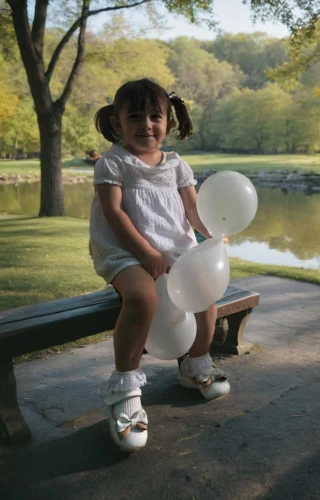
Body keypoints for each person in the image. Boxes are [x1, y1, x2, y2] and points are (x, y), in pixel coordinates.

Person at [90, 78, 230, 452]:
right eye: (135, 116)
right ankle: (125, 387)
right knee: (142, 297)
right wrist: (147, 254)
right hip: (124, 249)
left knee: (207, 291)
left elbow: (191, 210)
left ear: (168, 122)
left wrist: (212, 233)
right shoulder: (114, 162)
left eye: (155, 116)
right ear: (117, 123)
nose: (146, 124)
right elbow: (114, 213)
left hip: (174, 249)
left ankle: (196, 361)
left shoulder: (176, 165)